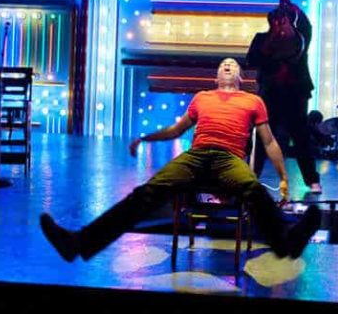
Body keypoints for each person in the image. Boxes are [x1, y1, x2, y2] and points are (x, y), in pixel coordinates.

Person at [39, 58, 320, 262]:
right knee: (146, 193)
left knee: (253, 190)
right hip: (196, 157)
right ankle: (78, 243)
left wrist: (283, 177)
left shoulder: (253, 101)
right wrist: (145, 138)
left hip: (229, 159)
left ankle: (285, 243)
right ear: (215, 77)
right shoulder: (202, 97)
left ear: (240, 77)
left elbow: (269, 141)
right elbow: (176, 130)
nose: (227, 65)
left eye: (233, 64)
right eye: (223, 64)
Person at [246, 0, 322, 193]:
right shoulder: (262, 39)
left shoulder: (299, 39)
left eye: (285, 21)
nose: (281, 25)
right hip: (270, 94)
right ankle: (252, 178)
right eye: (277, 21)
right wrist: (270, 47)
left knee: (301, 137)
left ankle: (312, 180)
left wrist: (293, 7)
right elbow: (251, 60)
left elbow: (307, 26)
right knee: (262, 137)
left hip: (295, 94)